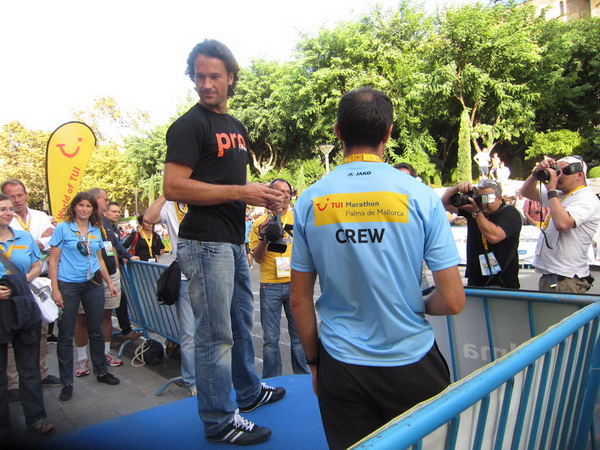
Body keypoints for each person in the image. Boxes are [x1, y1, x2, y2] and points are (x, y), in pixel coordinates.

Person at [290, 87, 465, 449]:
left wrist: (315, 363)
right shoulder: (420, 196)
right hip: (412, 360)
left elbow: (299, 300)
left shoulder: (310, 200)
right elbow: (452, 300)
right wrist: (417, 303)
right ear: (388, 132)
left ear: (338, 132)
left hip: (341, 364)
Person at [163, 39, 286, 445]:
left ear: (231, 77)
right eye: (199, 76)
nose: (205, 84)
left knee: (239, 325)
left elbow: (230, 185)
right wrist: (241, 192)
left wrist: (264, 195)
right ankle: (218, 420)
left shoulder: (236, 127)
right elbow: (173, 187)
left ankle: (248, 393)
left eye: (214, 76)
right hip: (204, 244)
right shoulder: (189, 125)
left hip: (231, 241)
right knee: (215, 335)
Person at [48, 192, 120, 402]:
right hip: (68, 285)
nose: (84, 209)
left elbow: (99, 258)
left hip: (92, 284)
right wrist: (55, 289)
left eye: (88, 206)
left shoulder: (95, 229)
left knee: (96, 329)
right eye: (81, 205)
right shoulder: (63, 228)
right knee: (66, 333)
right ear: (74, 207)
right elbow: (53, 260)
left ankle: (101, 371)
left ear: (92, 209)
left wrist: (109, 283)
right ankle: (67, 382)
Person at [0, 194, 55, 439]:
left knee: (29, 367)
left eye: (10, 209)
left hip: (23, 304)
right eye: (2, 209)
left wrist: (22, 281)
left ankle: (37, 418)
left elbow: (36, 265)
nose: (8, 213)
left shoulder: (23, 237)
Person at [249, 178, 309, 378]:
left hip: (295, 284)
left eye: (287, 192)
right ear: (270, 194)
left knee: (299, 337)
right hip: (270, 285)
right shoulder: (259, 224)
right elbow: (257, 259)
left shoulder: (298, 219)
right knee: (270, 340)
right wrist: (265, 238)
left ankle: (302, 378)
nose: (284, 196)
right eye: (280, 191)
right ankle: (272, 381)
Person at [520, 155, 600, 293]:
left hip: (566, 279)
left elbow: (562, 224)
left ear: (579, 175)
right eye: (557, 170)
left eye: (564, 171)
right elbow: (526, 192)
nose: (558, 176)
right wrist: (536, 173)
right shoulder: (561, 194)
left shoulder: (586, 198)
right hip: (554, 276)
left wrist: (551, 190)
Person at [144, 194, 196, 396]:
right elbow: (149, 217)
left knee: (215, 331)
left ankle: (217, 376)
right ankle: (192, 382)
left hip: (209, 275)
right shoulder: (170, 205)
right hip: (183, 277)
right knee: (189, 333)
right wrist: (167, 192)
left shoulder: (202, 197)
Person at [72, 189, 124, 378]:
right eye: (105, 199)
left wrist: (116, 267)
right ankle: (81, 359)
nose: (107, 202)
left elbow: (112, 246)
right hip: (87, 278)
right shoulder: (80, 223)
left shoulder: (105, 222)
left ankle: (106, 353)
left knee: (107, 314)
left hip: (109, 274)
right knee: (82, 318)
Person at [442, 179, 522, 288]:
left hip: (502, 281)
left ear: (499, 198)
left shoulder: (510, 213)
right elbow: (444, 203)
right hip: (476, 278)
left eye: (488, 199)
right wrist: (457, 187)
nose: (483, 204)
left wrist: (476, 212)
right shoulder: (474, 210)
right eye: (479, 198)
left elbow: (493, 237)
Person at [103, 202, 142, 343]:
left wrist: (120, 258)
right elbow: (114, 246)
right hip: (104, 272)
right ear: (105, 212)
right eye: (113, 211)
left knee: (119, 299)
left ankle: (119, 333)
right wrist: (128, 256)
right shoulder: (103, 227)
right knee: (110, 306)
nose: (117, 214)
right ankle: (111, 337)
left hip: (112, 270)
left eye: (118, 211)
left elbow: (113, 248)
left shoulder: (113, 228)